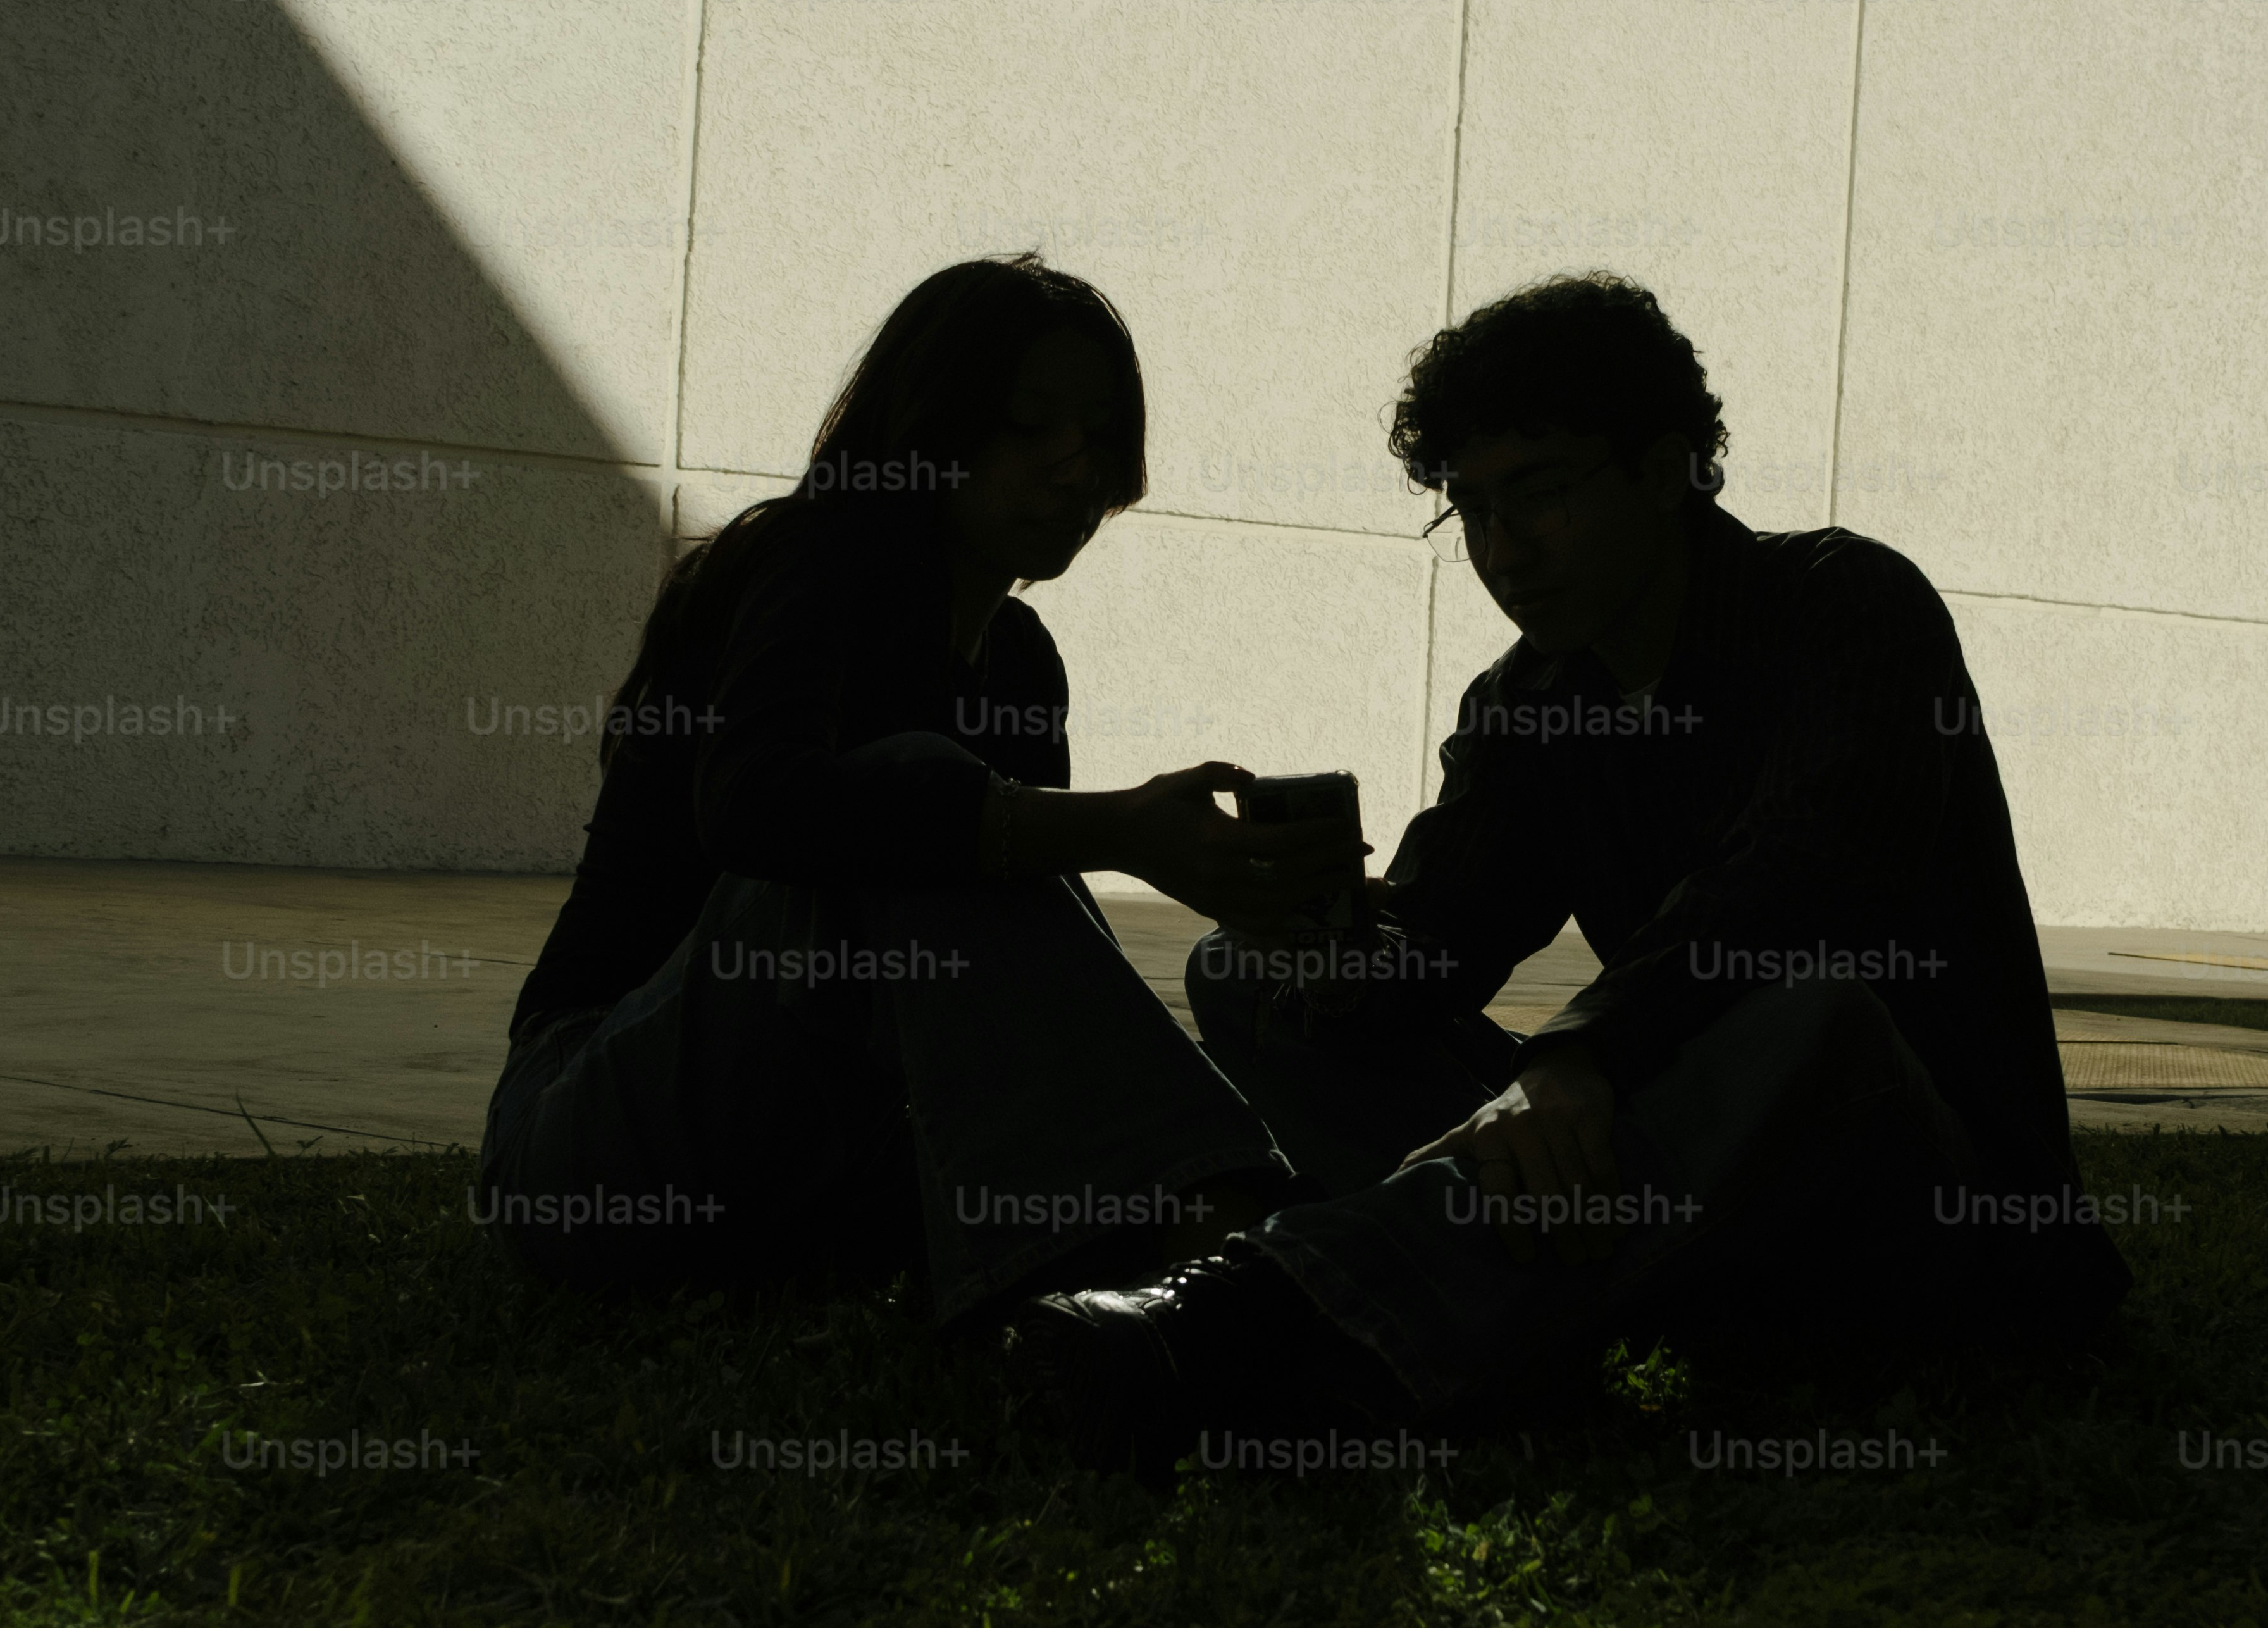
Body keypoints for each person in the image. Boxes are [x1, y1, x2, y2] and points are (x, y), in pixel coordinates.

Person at [1019, 274, 2128, 1453]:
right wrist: (1322, 930)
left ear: (1668, 472)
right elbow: (1440, 946)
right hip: (1689, 1207)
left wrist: (1581, 1056)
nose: (1504, 550)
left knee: (1811, 1014)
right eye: (1471, 512)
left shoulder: (1841, 604)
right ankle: (1485, 1281)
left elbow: (1804, 883)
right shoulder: (1531, 701)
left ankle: (1271, 1311)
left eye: (1539, 497)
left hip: (1922, 1203)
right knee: (1244, 978)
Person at [475, 255, 1354, 1326]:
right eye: (1029, 426)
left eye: (1101, 435)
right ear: (930, 428)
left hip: (813, 1165)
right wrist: (1119, 832)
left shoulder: (1022, 664)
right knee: (917, 793)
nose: (1076, 467)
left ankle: (1218, 1254)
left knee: (956, 843)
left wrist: (1239, 889)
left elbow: (1006, 973)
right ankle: (1240, 1249)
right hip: (590, 1146)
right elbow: (760, 809)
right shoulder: (812, 562)